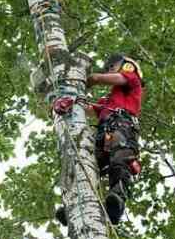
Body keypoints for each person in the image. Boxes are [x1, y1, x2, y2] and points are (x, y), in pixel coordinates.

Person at [55, 53, 143, 226]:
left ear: (126, 66)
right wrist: (72, 100)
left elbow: (104, 78)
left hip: (122, 127)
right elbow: (92, 109)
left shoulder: (132, 81)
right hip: (104, 133)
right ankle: (75, 205)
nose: (109, 70)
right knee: (83, 162)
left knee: (120, 160)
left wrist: (91, 79)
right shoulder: (109, 99)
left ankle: (117, 201)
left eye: (112, 66)